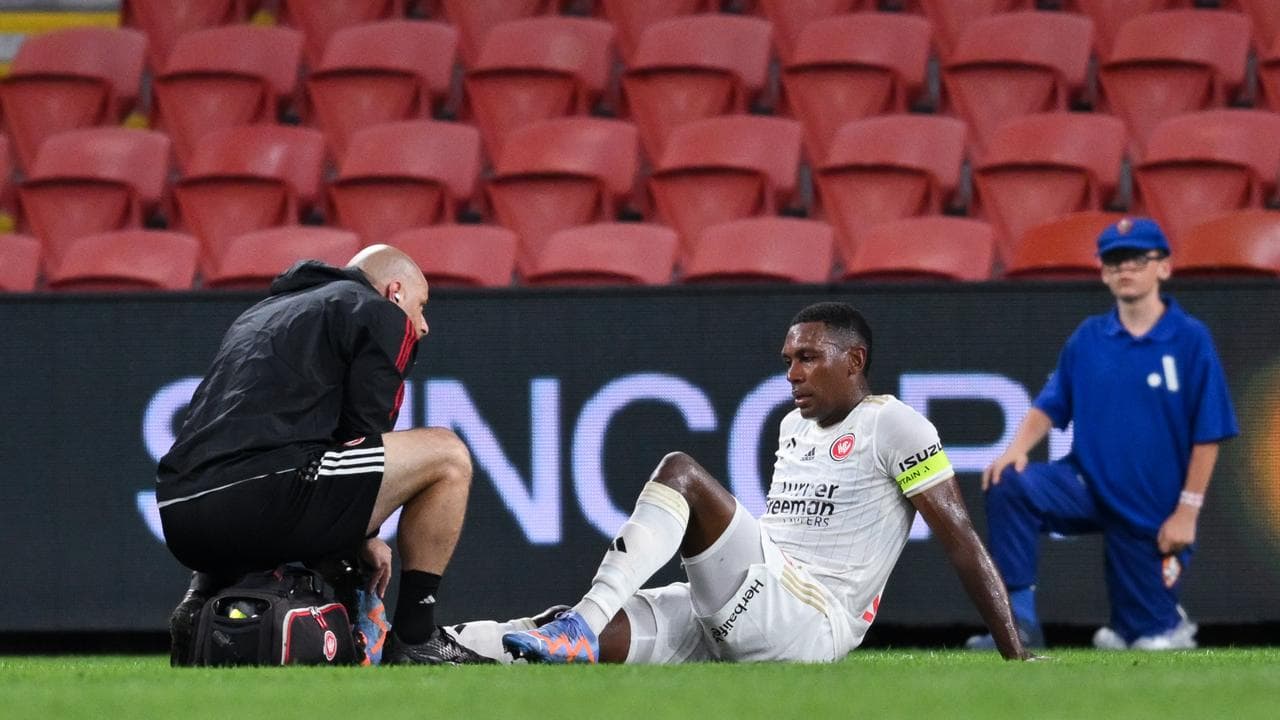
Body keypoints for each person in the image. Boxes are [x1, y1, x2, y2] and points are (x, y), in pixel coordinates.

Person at [483, 302, 1034, 664]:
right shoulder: (792, 426)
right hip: (764, 599)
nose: (792, 374)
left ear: (855, 360)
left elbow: (961, 541)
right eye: (789, 359)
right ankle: (437, 645)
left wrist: (1017, 654)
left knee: (681, 473)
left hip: (815, 616)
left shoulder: (896, 425)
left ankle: (580, 622)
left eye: (808, 358)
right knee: (555, 632)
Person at [157, 244, 491, 665]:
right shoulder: (376, 311)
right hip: (263, 498)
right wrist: (364, 536)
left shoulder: (262, 312)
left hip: (179, 514)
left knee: (269, 465)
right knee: (447, 455)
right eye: (421, 307)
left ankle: (201, 597)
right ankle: (417, 637)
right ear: (395, 293)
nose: (423, 326)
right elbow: (364, 434)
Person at [966, 217, 1238, 651]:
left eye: (1136, 259)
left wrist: (1187, 511)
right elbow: (1050, 404)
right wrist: (1014, 449)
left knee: (1145, 640)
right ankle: (1017, 621)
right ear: (1104, 272)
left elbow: (1210, 431)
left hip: (1152, 506)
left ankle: (1163, 616)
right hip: (1086, 484)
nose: (1125, 269)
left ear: (1163, 267)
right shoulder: (1089, 337)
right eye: (1114, 261)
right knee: (1009, 483)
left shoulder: (1190, 339)